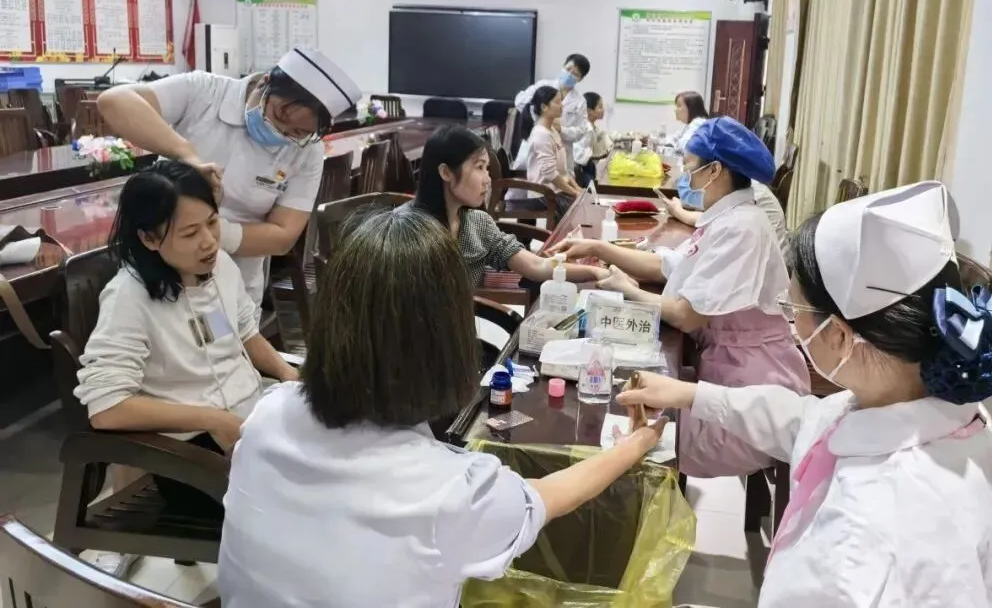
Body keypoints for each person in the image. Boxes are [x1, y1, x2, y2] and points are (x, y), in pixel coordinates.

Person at [617, 181, 992, 607]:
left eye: (793, 309)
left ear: (838, 334)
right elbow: (807, 421)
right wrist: (691, 394)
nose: (791, 321)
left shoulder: (856, 535)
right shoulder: (944, 411)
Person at [218, 206, 667, 608]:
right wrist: (637, 443)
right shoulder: (451, 490)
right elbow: (544, 499)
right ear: (448, 338)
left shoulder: (267, 416)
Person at [550, 117, 810, 477]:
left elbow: (688, 315)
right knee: (632, 408)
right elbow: (667, 265)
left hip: (753, 386)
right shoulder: (726, 217)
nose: (685, 174)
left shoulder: (743, 227)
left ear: (715, 170)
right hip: (729, 365)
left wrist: (628, 289)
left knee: (637, 433)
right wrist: (599, 248)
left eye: (690, 165)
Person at [74, 162, 298, 519]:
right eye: (190, 233)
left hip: (248, 424)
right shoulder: (128, 298)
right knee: (303, 503)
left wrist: (288, 375)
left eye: (212, 222)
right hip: (190, 456)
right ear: (149, 238)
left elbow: (244, 332)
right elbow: (107, 408)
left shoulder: (219, 266)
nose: (209, 241)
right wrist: (213, 419)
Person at [97, 48, 362, 301]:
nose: (282, 133)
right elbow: (114, 101)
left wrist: (202, 233)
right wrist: (187, 155)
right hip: (160, 273)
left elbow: (283, 237)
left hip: (236, 282)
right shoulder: (205, 91)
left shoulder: (308, 152)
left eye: (298, 133)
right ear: (264, 83)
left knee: (229, 329)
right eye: (279, 117)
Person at [414, 124, 607, 286]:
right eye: (479, 167)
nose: (487, 179)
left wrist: (595, 272)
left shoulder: (478, 223)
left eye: (487, 168)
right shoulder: (408, 231)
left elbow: (537, 266)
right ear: (446, 172)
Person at [660, 179, 789, 257]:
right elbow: (707, 206)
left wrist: (678, 211)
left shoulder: (749, 193)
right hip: (753, 255)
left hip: (763, 267)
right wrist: (683, 203)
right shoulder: (739, 186)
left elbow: (708, 218)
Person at [514, 53, 591, 176]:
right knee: (527, 181)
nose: (569, 75)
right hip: (535, 146)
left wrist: (561, 129)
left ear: (580, 79)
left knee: (558, 181)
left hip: (561, 150)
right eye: (568, 69)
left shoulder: (579, 101)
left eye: (575, 74)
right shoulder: (543, 86)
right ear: (562, 66)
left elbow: (580, 131)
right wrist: (542, 117)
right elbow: (520, 101)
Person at [521, 86, 584, 217]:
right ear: (544, 107)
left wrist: (577, 188)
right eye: (557, 102)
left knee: (584, 201)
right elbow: (550, 174)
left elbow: (563, 171)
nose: (562, 106)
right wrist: (574, 192)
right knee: (580, 211)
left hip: (555, 192)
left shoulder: (553, 130)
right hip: (543, 195)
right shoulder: (541, 134)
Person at [579, 91, 613, 189]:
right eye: (600, 107)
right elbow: (582, 159)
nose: (603, 110)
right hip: (583, 172)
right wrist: (602, 155)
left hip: (590, 168)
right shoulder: (586, 129)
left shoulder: (592, 126)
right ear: (589, 110)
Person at [670, 91, 709, 155]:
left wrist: (674, 144)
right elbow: (675, 137)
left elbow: (683, 147)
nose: (675, 110)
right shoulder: (690, 123)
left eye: (679, 106)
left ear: (691, 108)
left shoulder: (698, 123)